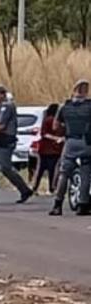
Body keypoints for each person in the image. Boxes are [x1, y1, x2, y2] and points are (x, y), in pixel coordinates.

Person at [49, 80, 91, 216]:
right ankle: (82, 205)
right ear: (86, 91)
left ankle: (57, 204)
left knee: (64, 173)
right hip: (87, 142)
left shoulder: (64, 107)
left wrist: (65, 130)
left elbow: (55, 127)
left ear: (74, 90)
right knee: (85, 174)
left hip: (70, 142)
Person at [30, 103, 63, 195]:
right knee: (52, 169)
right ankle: (51, 188)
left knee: (40, 169)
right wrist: (57, 138)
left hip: (44, 148)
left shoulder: (46, 120)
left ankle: (35, 188)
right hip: (55, 149)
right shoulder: (58, 122)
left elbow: (43, 133)